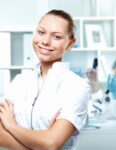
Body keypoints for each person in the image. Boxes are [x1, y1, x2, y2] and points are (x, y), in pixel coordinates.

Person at [0, 9, 90, 150]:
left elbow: (51, 143)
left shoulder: (77, 87)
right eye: (41, 33)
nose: (45, 41)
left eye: (57, 37)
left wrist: (11, 125)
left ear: (70, 44)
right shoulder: (19, 81)